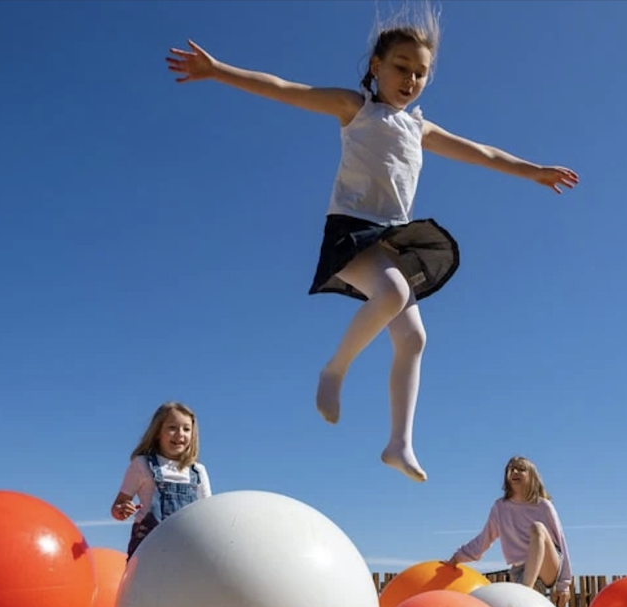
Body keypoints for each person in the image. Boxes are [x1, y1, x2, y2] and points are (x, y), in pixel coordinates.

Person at [165, 5, 579, 483]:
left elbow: (481, 152)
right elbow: (285, 89)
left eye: (420, 73)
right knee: (395, 293)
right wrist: (218, 70)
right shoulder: (355, 108)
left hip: (392, 239)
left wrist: (533, 171)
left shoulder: (419, 129)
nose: (411, 80)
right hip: (351, 231)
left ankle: (398, 443)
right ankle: (334, 370)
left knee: (414, 338)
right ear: (377, 66)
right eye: (402, 68)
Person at [70, 401, 212, 607]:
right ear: (158, 432)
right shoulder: (142, 465)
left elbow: (207, 514)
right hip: (148, 551)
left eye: (186, 429)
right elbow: (118, 505)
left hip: (186, 556)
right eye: (172, 428)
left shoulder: (198, 472)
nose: (179, 435)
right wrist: (121, 510)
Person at [445, 456, 573, 607]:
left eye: (521, 469)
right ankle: (526, 590)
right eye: (511, 469)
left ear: (532, 476)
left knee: (538, 528)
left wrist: (564, 585)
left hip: (548, 566)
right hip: (520, 571)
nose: (515, 472)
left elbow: (561, 543)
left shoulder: (543, 506)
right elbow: (483, 540)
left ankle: (525, 592)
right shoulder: (500, 507)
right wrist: (456, 558)